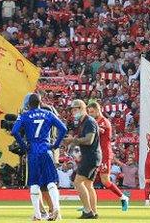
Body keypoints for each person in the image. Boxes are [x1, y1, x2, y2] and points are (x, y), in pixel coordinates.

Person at [12, 93, 67, 222]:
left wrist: (24, 146)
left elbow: (14, 131)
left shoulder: (24, 116)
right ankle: (56, 210)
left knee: (34, 183)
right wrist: (55, 145)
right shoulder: (48, 114)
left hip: (33, 151)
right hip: (46, 149)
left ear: (28, 104)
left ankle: (37, 215)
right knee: (51, 182)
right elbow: (63, 129)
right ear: (40, 103)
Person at [86, 101, 129, 211]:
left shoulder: (104, 121)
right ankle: (88, 204)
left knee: (105, 181)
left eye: (91, 112)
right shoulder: (95, 121)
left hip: (104, 154)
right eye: (89, 112)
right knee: (87, 179)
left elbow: (99, 131)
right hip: (95, 154)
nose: (90, 114)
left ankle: (123, 197)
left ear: (97, 110)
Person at [62, 99, 100, 219]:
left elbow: (89, 139)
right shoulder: (84, 122)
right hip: (93, 156)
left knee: (78, 182)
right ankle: (93, 211)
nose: (73, 112)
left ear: (82, 108)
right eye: (72, 110)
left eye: (75, 109)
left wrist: (73, 140)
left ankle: (87, 211)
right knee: (88, 185)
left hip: (90, 156)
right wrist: (73, 141)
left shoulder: (89, 121)